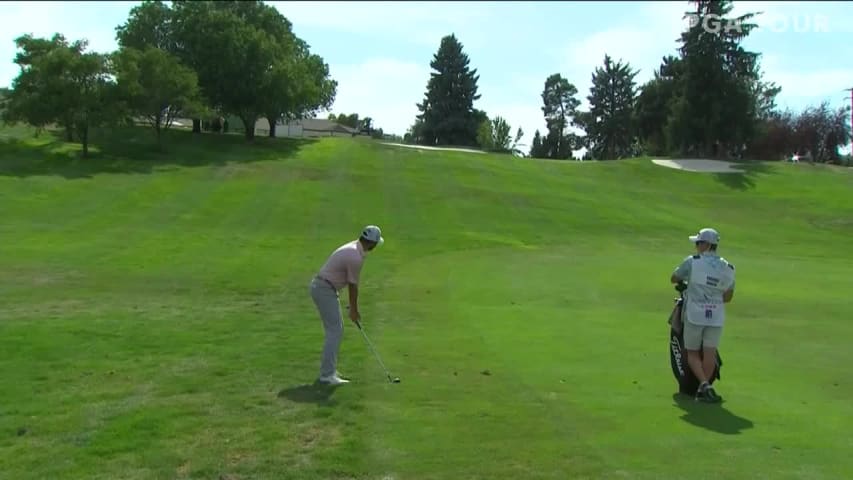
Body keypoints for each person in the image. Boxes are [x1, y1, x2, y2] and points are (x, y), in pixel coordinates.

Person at [310, 225, 384, 385]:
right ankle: (327, 375)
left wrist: (352, 307)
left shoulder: (355, 249)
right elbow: (353, 285)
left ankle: (329, 371)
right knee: (335, 331)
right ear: (372, 244)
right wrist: (354, 310)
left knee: (335, 329)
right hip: (324, 289)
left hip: (324, 288)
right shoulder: (355, 257)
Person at [670, 227, 735, 403]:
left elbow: (674, 278)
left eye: (698, 243)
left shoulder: (693, 262)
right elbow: (728, 297)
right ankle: (704, 389)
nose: (696, 246)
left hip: (695, 314)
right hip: (716, 315)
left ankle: (705, 384)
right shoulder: (728, 267)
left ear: (707, 244)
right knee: (709, 353)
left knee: (692, 353)